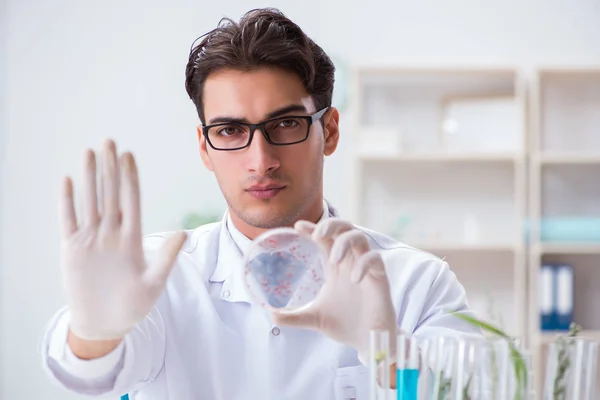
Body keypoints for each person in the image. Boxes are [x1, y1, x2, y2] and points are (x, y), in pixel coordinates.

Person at [40, 7, 481, 399]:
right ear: (204, 147)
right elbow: (91, 376)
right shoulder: (157, 278)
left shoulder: (414, 283)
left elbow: (482, 388)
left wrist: (388, 355)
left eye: (286, 123)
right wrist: (93, 334)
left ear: (328, 131)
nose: (261, 161)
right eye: (230, 131)